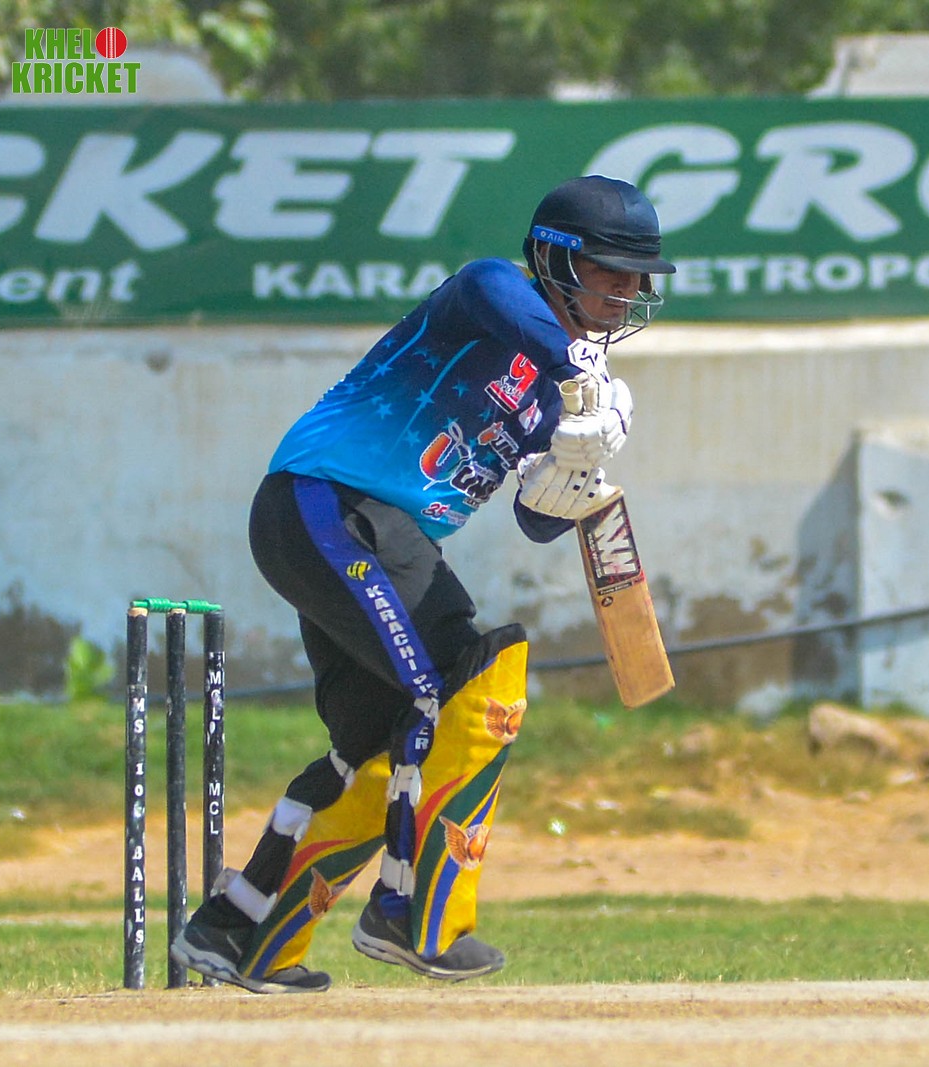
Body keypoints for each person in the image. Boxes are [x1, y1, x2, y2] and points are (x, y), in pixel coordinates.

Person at [169, 175, 675, 993]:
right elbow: (486, 285)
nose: (626, 292)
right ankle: (410, 913)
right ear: (554, 258)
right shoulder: (495, 300)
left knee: (371, 747)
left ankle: (238, 933)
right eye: (609, 271)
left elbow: (535, 519)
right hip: (331, 502)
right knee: (467, 686)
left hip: (365, 536)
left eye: (637, 277)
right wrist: (579, 375)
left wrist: (575, 467)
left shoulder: (570, 394)